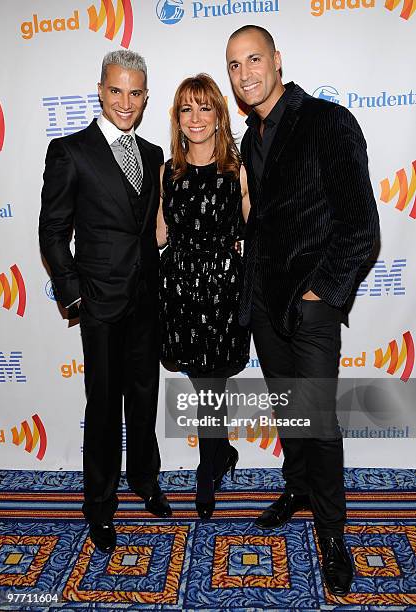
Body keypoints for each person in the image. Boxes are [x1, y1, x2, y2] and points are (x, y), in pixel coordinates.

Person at [226, 26, 379, 595]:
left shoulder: (327, 120)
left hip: (312, 299)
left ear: (277, 60)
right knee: (289, 411)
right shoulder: (251, 139)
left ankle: (335, 538)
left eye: (254, 60)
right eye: (236, 65)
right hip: (265, 300)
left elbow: (362, 226)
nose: (246, 74)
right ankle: (296, 488)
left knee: (318, 422)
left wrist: (321, 292)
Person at [39, 50, 172, 554]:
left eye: (135, 93)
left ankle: (144, 480)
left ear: (144, 97)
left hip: (146, 299)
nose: (125, 102)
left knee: (143, 397)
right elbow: (52, 231)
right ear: (99, 89)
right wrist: (74, 294)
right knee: (102, 407)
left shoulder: (154, 153)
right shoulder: (70, 151)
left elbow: (152, 228)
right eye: (116, 90)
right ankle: (99, 504)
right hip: (100, 302)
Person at [157, 74, 250, 519]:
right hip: (179, 293)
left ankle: (206, 468)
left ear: (218, 115)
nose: (195, 118)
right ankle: (221, 455)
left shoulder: (238, 169)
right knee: (204, 383)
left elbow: (259, 229)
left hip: (224, 293)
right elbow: (158, 234)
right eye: (186, 109)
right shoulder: (166, 173)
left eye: (204, 108)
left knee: (212, 384)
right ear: (177, 118)